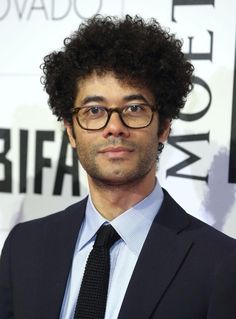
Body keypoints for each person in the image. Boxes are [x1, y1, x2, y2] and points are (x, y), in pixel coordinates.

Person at [0, 15, 236, 319]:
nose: (114, 127)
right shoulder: (23, 248)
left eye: (134, 109)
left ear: (163, 127)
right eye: (94, 110)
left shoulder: (221, 264)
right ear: (71, 130)